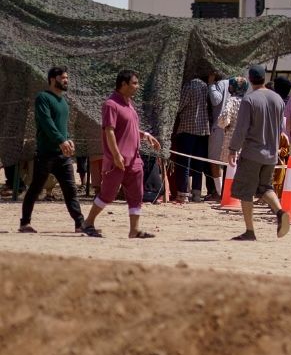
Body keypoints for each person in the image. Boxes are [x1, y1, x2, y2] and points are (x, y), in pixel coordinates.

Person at [78, 70, 161, 238]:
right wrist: (116, 155)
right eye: (134, 83)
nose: (137, 87)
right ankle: (88, 223)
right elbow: (109, 131)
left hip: (134, 160)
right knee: (108, 194)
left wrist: (144, 135)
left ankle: (135, 230)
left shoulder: (129, 104)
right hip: (118, 160)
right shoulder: (111, 104)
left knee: (137, 195)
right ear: (123, 84)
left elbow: (129, 128)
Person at [19, 67, 86, 234]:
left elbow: (62, 126)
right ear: (52, 79)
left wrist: (67, 138)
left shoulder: (63, 102)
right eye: (63, 78)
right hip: (46, 153)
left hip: (62, 155)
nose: (66, 81)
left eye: (67, 78)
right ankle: (24, 223)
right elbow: (46, 122)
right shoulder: (43, 98)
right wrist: (61, 140)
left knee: (70, 189)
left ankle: (80, 224)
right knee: (36, 188)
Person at [227, 65, 288, 241]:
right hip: (271, 153)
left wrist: (233, 149)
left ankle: (250, 230)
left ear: (250, 79)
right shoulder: (278, 99)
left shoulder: (249, 99)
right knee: (265, 188)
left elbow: (241, 128)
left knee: (246, 191)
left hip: (252, 153)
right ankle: (280, 211)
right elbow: (280, 128)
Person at [174, 74, 213, 202]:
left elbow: (180, 106)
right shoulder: (205, 86)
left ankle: (184, 193)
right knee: (198, 163)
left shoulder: (189, 85)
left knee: (185, 162)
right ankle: (196, 193)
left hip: (188, 127)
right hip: (203, 130)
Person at [207, 71, 230, 195]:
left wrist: (211, 84)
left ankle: (219, 192)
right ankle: (226, 192)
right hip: (231, 128)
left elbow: (216, 100)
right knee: (229, 160)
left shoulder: (220, 84)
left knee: (215, 160)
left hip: (219, 127)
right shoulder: (234, 84)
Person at [217, 77, 249, 164]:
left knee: (229, 169)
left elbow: (224, 116)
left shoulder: (232, 100)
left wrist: (224, 124)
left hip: (231, 139)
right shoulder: (248, 101)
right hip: (245, 141)